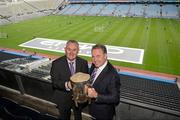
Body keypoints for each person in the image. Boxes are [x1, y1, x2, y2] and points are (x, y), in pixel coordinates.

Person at [50, 40, 89, 120]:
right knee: (64, 117)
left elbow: (86, 80)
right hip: (63, 98)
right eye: (69, 49)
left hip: (79, 98)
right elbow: (55, 83)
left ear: (78, 51)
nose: (71, 52)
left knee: (78, 116)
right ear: (65, 49)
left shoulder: (83, 63)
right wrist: (67, 85)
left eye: (74, 50)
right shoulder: (56, 63)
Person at [87, 44, 120, 120]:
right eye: (93, 56)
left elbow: (115, 98)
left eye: (98, 56)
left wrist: (96, 95)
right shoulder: (94, 65)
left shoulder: (112, 74)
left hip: (103, 114)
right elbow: (92, 80)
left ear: (105, 56)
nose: (95, 60)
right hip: (92, 109)